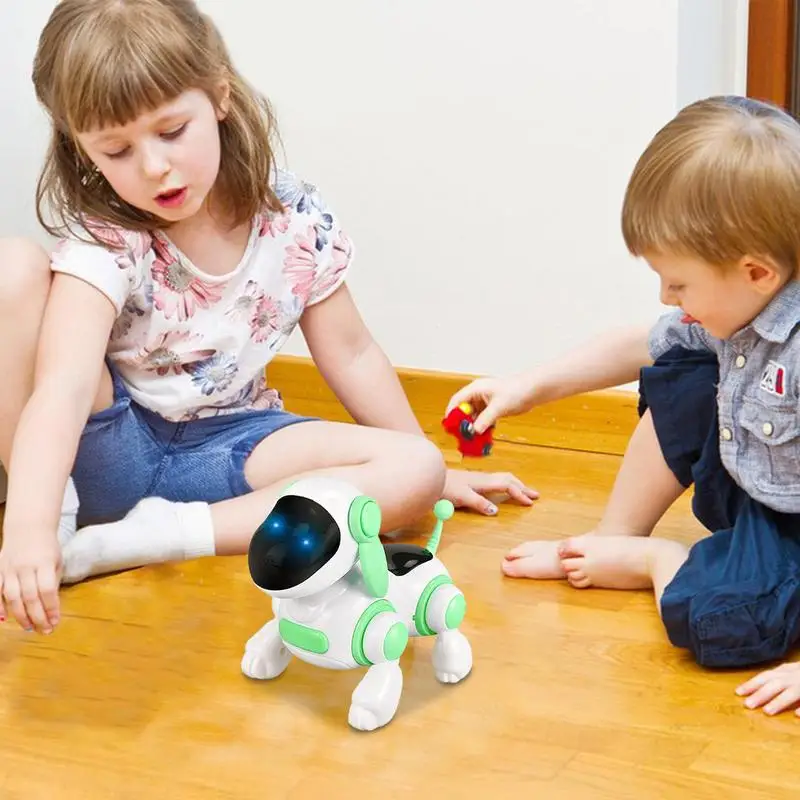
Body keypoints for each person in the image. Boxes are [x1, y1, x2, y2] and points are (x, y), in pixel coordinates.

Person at [0, 0, 537, 637]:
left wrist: (437, 471)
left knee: (415, 469)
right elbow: (61, 387)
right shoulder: (108, 239)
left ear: (219, 95)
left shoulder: (292, 215)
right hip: (109, 450)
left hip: (233, 447)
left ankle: (148, 540)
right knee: (11, 266)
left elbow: (353, 352)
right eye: (116, 151)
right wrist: (32, 526)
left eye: (172, 131)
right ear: (82, 149)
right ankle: (60, 523)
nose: (152, 167)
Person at [448, 95, 800, 716]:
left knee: (718, 621)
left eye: (680, 282)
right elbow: (639, 341)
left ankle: (655, 559)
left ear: (758, 273)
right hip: (756, 483)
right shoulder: (736, 306)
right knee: (683, 366)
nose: (667, 295)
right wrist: (527, 386)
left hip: (789, 533)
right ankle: (612, 537)